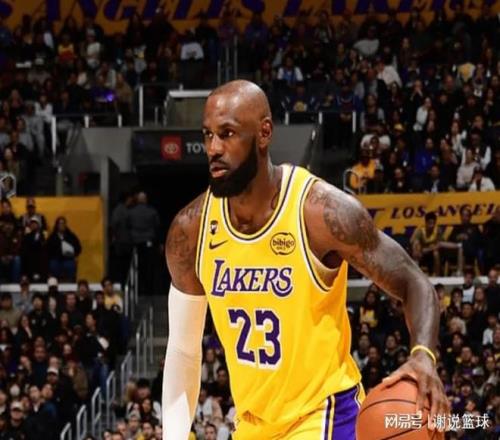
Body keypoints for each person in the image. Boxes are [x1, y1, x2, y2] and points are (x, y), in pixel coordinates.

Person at [162, 80, 448, 439]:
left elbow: (413, 281)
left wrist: (423, 355)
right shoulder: (191, 230)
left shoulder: (320, 212)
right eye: (208, 135)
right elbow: (183, 351)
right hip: (252, 425)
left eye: (227, 134)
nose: (213, 148)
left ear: (264, 133)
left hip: (324, 416)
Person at [46, 216, 82, 281]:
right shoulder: (52, 237)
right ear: (57, 225)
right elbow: (47, 249)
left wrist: (74, 255)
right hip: (56, 259)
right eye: (60, 223)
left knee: (70, 265)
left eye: (63, 223)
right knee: (53, 265)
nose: (61, 225)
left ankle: (70, 283)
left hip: (68, 259)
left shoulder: (71, 236)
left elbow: (78, 248)